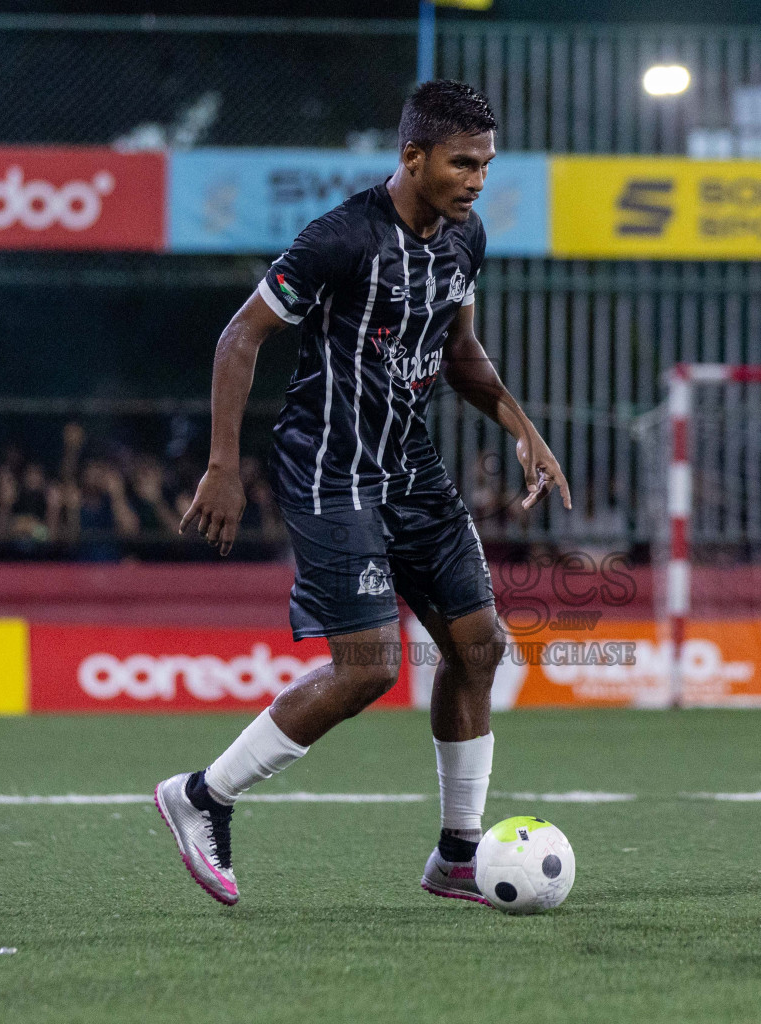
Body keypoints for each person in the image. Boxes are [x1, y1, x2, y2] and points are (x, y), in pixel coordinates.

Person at [156, 80, 569, 908]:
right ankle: (203, 795)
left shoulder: (465, 238)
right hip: (328, 470)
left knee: (479, 647)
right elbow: (241, 335)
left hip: (410, 470)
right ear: (412, 157)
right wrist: (222, 465)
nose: (477, 180)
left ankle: (458, 856)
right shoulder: (339, 240)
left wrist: (521, 424)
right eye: (462, 162)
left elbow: (462, 352)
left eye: (486, 164)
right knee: (371, 666)